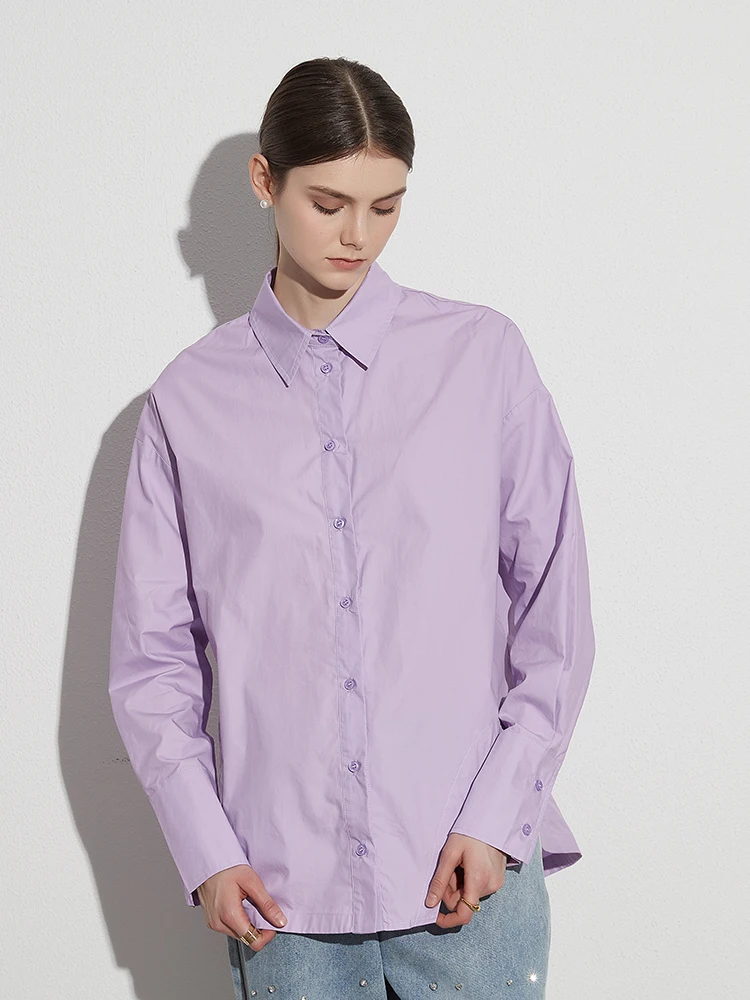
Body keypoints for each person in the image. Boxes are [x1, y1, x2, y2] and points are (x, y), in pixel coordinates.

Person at [108, 56, 596, 999]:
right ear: (266, 181)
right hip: (281, 898)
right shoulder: (187, 402)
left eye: (386, 206)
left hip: (470, 878)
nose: (357, 236)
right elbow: (154, 661)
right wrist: (206, 849)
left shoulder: (482, 359)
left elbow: (555, 614)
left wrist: (497, 815)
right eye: (328, 203)